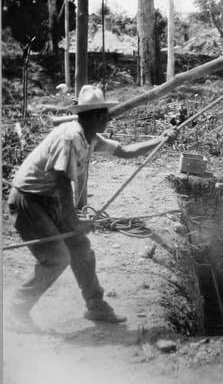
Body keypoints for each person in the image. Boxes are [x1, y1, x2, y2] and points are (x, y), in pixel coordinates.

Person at [7, 85, 177, 331]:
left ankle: (96, 306)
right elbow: (62, 183)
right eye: (105, 114)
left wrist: (160, 140)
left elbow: (125, 151)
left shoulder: (90, 137)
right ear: (95, 116)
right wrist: (75, 222)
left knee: (81, 248)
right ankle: (16, 309)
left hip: (48, 199)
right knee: (57, 257)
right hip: (29, 200)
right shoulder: (70, 137)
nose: (108, 118)